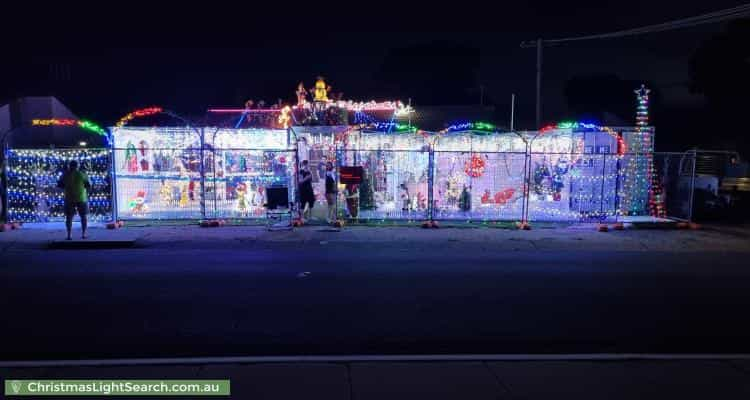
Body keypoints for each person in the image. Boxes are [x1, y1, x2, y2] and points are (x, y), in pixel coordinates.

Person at [58, 160, 91, 240]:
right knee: (83, 216)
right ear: (78, 166)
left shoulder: (65, 175)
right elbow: (88, 185)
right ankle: (83, 234)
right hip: (81, 198)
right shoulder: (82, 174)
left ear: (69, 166)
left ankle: (69, 235)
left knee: (69, 217)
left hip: (69, 198)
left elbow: (60, 185)